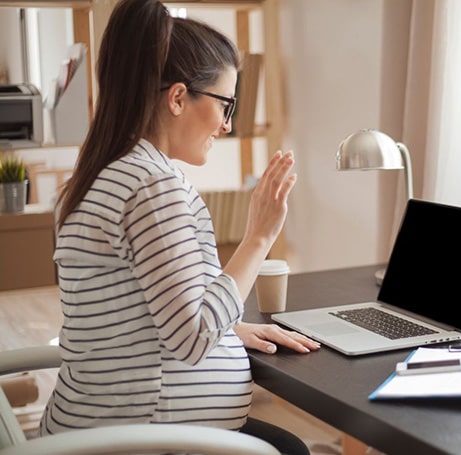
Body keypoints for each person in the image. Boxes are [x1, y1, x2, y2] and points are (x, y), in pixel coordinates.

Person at [39, 0, 320, 453]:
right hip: (145, 440)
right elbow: (192, 337)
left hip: (102, 429)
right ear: (176, 97)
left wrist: (230, 329)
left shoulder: (98, 176)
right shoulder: (153, 188)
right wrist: (258, 237)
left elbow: (142, 312)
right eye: (226, 104)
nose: (228, 125)